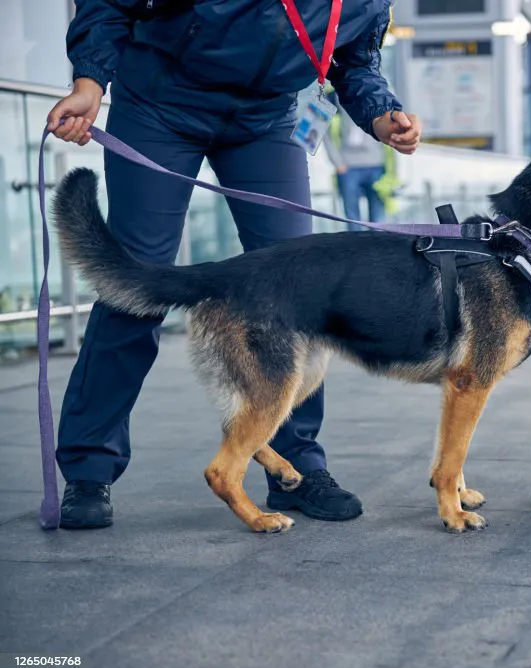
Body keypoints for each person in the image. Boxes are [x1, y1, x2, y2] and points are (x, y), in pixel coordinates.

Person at [46, 0, 421, 529]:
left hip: (265, 117)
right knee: (136, 285)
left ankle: (297, 468)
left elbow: (353, 59)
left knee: (302, 295)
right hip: (162, 103)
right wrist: (90, 81)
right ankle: (88, 469)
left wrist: (382, 113)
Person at [323, 98, 398, 226]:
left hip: (376, 165)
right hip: (347, 166)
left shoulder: (379, 94)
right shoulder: (332, 96)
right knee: (352, 219)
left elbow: (392, 132)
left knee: (378, 221)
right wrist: (337, 163)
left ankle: (376, 246)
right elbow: (325, 132)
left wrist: (391, 169)